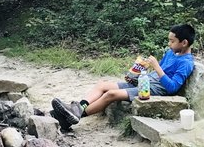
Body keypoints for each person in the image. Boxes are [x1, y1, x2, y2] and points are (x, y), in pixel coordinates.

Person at [51, 24, 196, 130]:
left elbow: (172, 88)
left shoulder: (186, 63)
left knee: (111, 94)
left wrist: (157, 67)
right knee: (102, 84)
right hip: (144, 81)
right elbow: (158, 71)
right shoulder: (171, 53)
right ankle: (76, 109)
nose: (169, 44)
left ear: (184, 43)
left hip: (154, 89)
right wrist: (139, 73)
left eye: (172, 41)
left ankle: (76, 115)